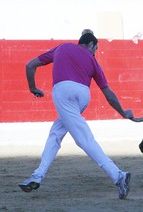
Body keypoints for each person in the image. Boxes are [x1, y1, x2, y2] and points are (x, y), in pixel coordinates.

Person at [19, 33, 134, 199]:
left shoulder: (62, 47)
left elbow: (30, 66)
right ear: (91, 45)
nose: (95, 52)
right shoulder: (93, 61)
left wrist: (33, 88)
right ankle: (38, 175)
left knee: (83, 139)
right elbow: (108, 93)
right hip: (83, 96)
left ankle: (118, 175)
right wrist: (123, 112)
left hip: (63, 91)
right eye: (96, 48)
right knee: (56, 133)